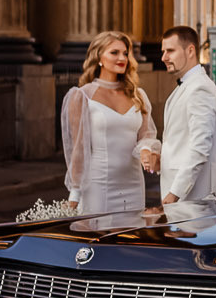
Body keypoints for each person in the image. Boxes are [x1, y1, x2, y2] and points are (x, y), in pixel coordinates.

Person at [58, 31, 159, 214]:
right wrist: (74, 196)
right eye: (114, 53)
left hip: (134, 183)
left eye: (125, 53)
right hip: (98, 184)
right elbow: (79, 149)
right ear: (99, 57)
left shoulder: (138, 95)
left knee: (131, 237)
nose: (122, 58)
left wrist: (146, 149)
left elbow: (146, 135)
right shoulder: (81, 96)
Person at [146, 25, 216, 205]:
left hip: (193, 201)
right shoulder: (188, 86)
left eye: (170, 51)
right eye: (163, 51)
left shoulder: (199, 88)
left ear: (190, 51)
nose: (163, 57)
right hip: (183, 200)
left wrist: (174, 194)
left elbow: (200, 147)